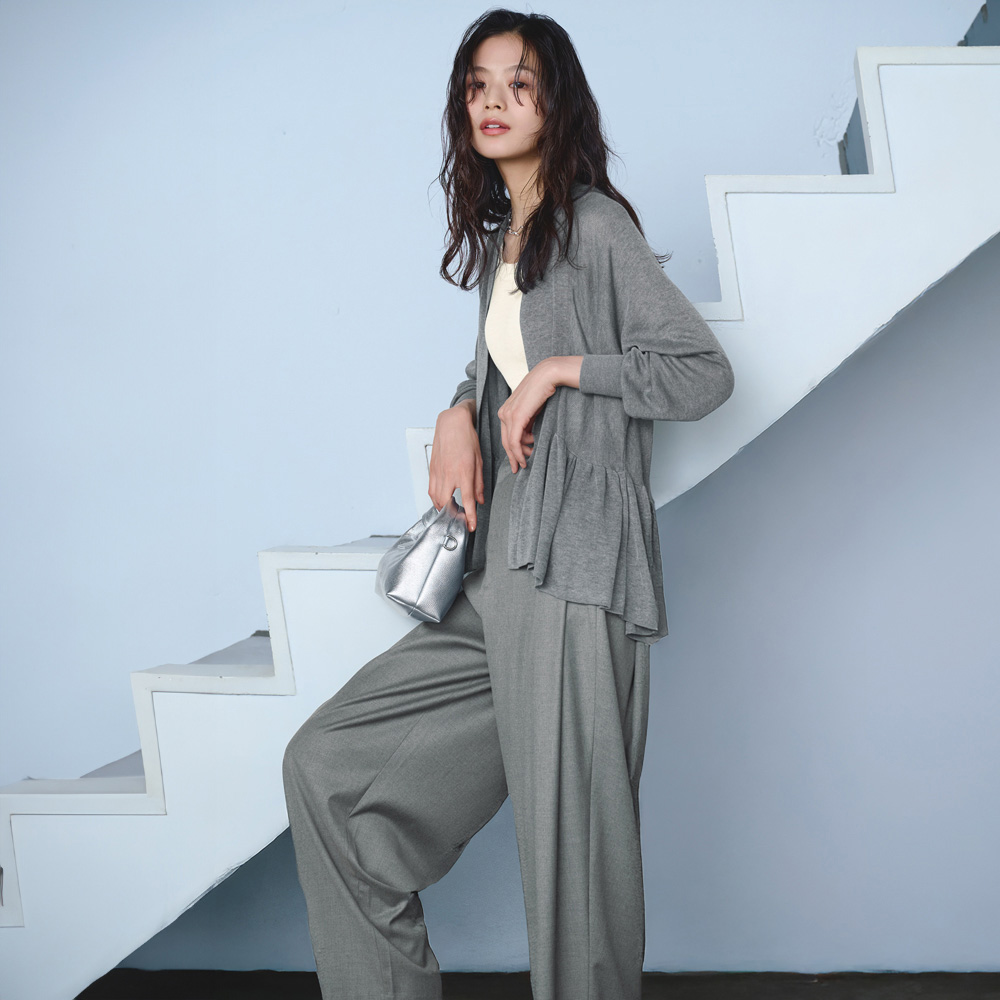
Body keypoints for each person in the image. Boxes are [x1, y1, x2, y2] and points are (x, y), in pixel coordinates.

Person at [282, 9, 734, 1000]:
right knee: (329, 770)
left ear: (554, 103)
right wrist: (459, 411)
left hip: (573, 573)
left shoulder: (595, 226)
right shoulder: (506, 242)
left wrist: (565, 371)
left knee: (575, 871)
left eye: (518, 84)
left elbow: (701, 373)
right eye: (478, 85)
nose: (493, 101)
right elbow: (496, 374)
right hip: (494, 580)